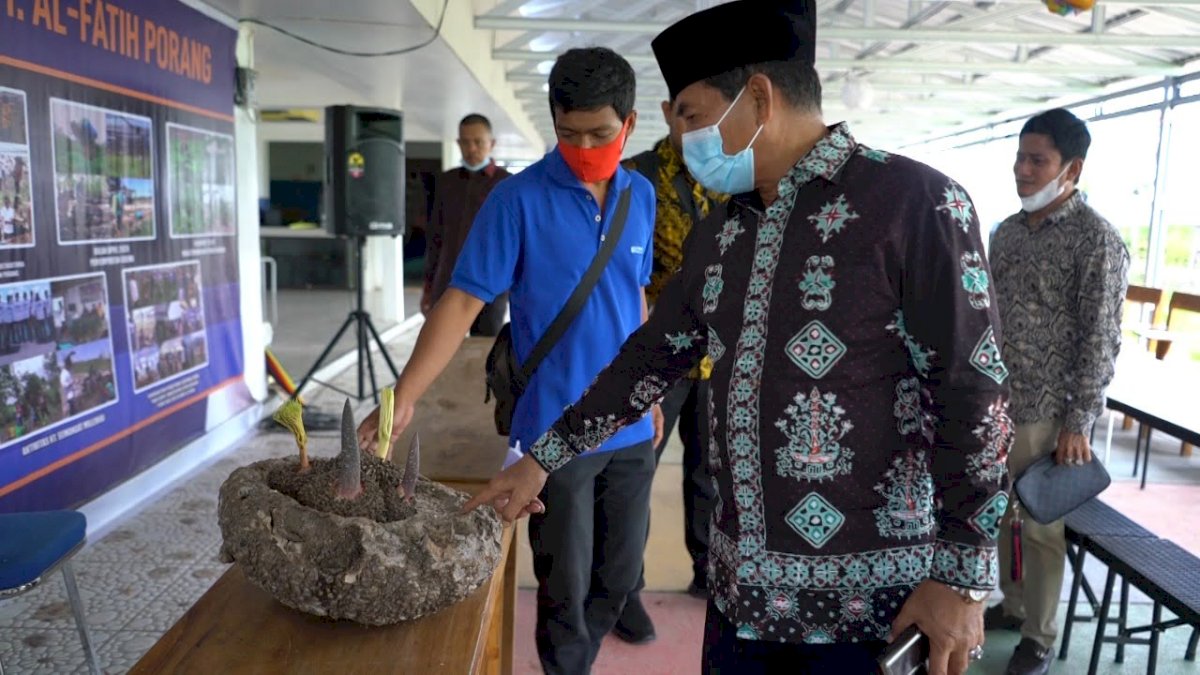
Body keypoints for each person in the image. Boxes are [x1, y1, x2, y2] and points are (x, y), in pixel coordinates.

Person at [463, 2, 1014, 674]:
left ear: (758, 97)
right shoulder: (722, 231)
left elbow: (972, 390)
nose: (683, 137)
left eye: (691, 115)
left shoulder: (916, 204)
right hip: (739, 601)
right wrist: (543, 455)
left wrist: (960, 577)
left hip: (872, 606)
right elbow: (649, 358)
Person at [358, 47, 664, 675]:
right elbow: (462, 301)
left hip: (627, 425)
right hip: (551, 428)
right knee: (564, 584)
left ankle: (587, 649)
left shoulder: (641, 195)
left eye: (601, 134)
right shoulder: (517, 200)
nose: (584, 146)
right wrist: (405, 394)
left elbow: (633, 296)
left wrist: (649, 393)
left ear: (629, 126)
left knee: (621, 572)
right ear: (553, 121)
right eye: (569, 132)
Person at [986, 109, 1130, 675]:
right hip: (999, 405)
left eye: (1036, 159)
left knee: (1043, 526)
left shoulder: (1096, 240)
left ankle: (1038, 637)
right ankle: (1013, 604)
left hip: (1050, 413)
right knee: (1001, 513)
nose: (1022, 169)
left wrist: (1079, 422)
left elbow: (1101, 338)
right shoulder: (1007, 234)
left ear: (1071, 167)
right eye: (1020, 156)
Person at [611, 107, 728, 644]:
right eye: (688, 116)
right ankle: (623, 591)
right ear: (668, 115)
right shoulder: (636, 176)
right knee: (634, 475)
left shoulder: (733, 173)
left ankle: (708, 575)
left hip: (720, 353)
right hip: (655, 349)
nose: (698, 129)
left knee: (711, 472)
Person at [420, 114, 512, 336]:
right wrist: (428, 287)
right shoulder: (446, 183)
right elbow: (435, 238)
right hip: (448, 282)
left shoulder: (507, 184)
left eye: (478, 142)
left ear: (492, 143)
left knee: (484, 353)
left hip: (490, 287)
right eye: (465, 142)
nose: (471, 148)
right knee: (444, 348)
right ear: (458, 143)